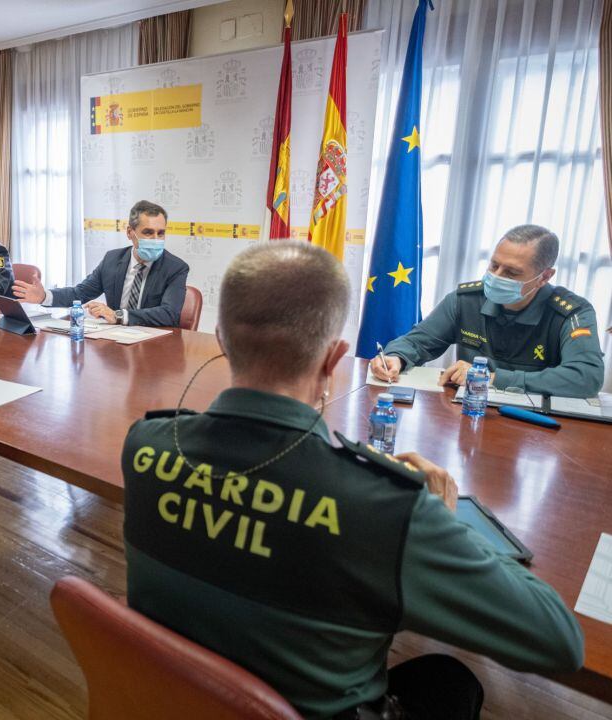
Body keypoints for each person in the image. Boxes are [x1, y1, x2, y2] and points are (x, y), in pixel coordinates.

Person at [121, 241, 583, 720]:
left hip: (167, 698)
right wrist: (449, 525)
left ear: (220, 339)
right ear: (334, 357)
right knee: (451, 680)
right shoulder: (384, 506)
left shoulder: (145, 444)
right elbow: (560, 642)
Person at [371, 225, 603, 398]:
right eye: (494, 265)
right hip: (469, 414)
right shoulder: (466, 300)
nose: (496, 276)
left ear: (544, 277)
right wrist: (396, 357)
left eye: (511, 273)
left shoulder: (572, 313)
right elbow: (418, 342)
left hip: (538, 432)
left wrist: (493, 379)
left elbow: (586, 377)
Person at [12, 200, 188, 326]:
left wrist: (117, 315)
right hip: (116, 342)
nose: (156, 239)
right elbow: (80, 293)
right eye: (148, 232)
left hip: (155, 344)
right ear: (130, 232)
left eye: (161, 233)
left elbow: (169, 314)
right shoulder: (112, 259)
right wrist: (44, 296)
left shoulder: (175, 268)